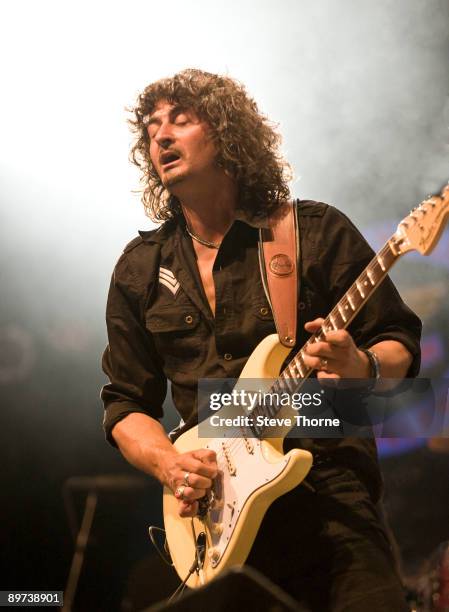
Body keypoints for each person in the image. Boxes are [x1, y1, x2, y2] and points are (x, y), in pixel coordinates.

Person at [101, 69, 422, 611]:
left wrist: (361, 366)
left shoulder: (312, 232)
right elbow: (125, 403)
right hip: (215, 524)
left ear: (227, 133)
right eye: (153, 126)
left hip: (329, 500)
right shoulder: (139, 269)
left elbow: (400, 345)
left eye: (181, 119)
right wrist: (168, 464)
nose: (161, 136)